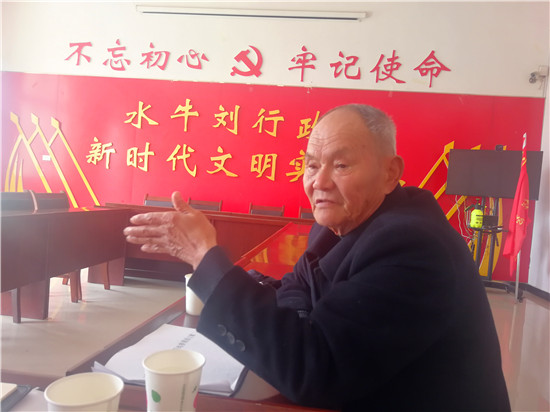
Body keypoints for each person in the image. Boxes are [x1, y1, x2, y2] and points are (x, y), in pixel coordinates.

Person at [124, 104, 511, 411]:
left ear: (390, 173)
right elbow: (297, 288)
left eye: (341, 165)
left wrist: (205, 256)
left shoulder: (412, 246)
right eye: (311, 164)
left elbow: (316, 371)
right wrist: (300, 320)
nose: (319, 182)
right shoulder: (335, 225)